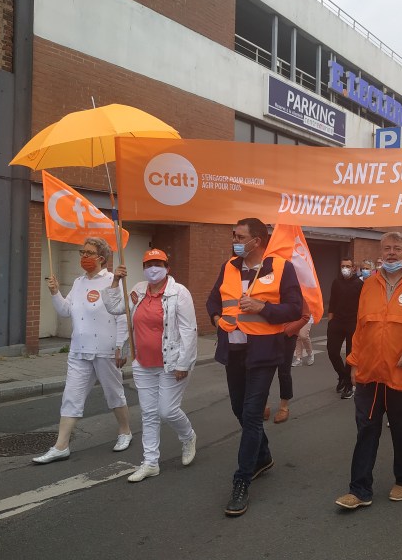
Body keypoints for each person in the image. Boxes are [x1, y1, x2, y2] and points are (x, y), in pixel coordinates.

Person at [335, 232, 402, 510]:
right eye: (387, 248)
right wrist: (354, 362)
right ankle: (359, 489)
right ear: (380, 252)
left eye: (397, 248)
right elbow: (361, 327)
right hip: (371, 371)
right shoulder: (369, 284)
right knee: (366, 428)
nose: (391, 253)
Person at [206, 218, 302, 517]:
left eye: (239, 236)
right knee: (239, 409)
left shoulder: (281, 268)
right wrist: (217, 321)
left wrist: (264, 308)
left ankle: (242, 481)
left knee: (251, 414)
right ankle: (263, 456)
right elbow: (213, 301)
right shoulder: (229, 266)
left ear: (257, 240)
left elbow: (295, 308)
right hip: (233, 351)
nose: (234, 240)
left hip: (263, 353)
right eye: (234, 235)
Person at [33, 238, 132, 464]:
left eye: (89, 253)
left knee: (114, 393)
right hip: (79, 350)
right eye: (82, 252)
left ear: (101, 258)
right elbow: (66, 311)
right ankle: (61, 446)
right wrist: (55, 293)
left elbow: (122, 316)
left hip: (106, 350)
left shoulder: (113, 281)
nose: (84, 257)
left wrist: (121, 346)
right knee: (71, 396)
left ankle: (125, 431)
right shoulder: (78, 282)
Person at [104, 249, 198, 482]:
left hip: (172, 363)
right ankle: (150, 463)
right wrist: (115, 281)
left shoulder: (179, 293)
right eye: (148, 264)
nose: (153, 268)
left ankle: (188, 436)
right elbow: (116, 309)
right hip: (143, 363)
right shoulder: (137, 290)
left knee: (167, 410)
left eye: (158, 264)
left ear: (167, 268)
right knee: (149, 414)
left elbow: (189, 330)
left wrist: (184, 363)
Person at [266, 300, 310, 424]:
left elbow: (305, 316)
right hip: (266, 335)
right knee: (264, 371)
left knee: (284, 372)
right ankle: (264, 404)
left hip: (287, 337)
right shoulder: (266, 290)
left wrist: (287, 330)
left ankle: (284, 406)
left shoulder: (294, 292)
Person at [326, 258, 363, 400]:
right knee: (332, 351)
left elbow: (363, 305)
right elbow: (332, 302)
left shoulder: (359, 284)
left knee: (349, 355)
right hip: (337, 322)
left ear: (353, 268)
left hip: (352, 323)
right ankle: (342, 375)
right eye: (343, 266)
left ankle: (348, 385)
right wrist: (330, 321)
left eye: (348, 266)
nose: (345, 268)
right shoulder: (336, 282)